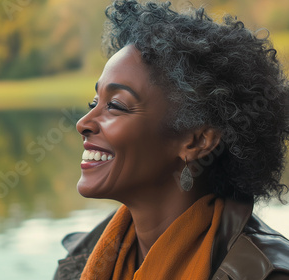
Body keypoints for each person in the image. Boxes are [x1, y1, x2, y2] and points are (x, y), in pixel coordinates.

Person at [53, 0, 289, 279]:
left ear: (197, 141)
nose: (83, 123)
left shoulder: (264, 273)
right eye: (94, 102)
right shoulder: (80, 258)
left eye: (115, 105)